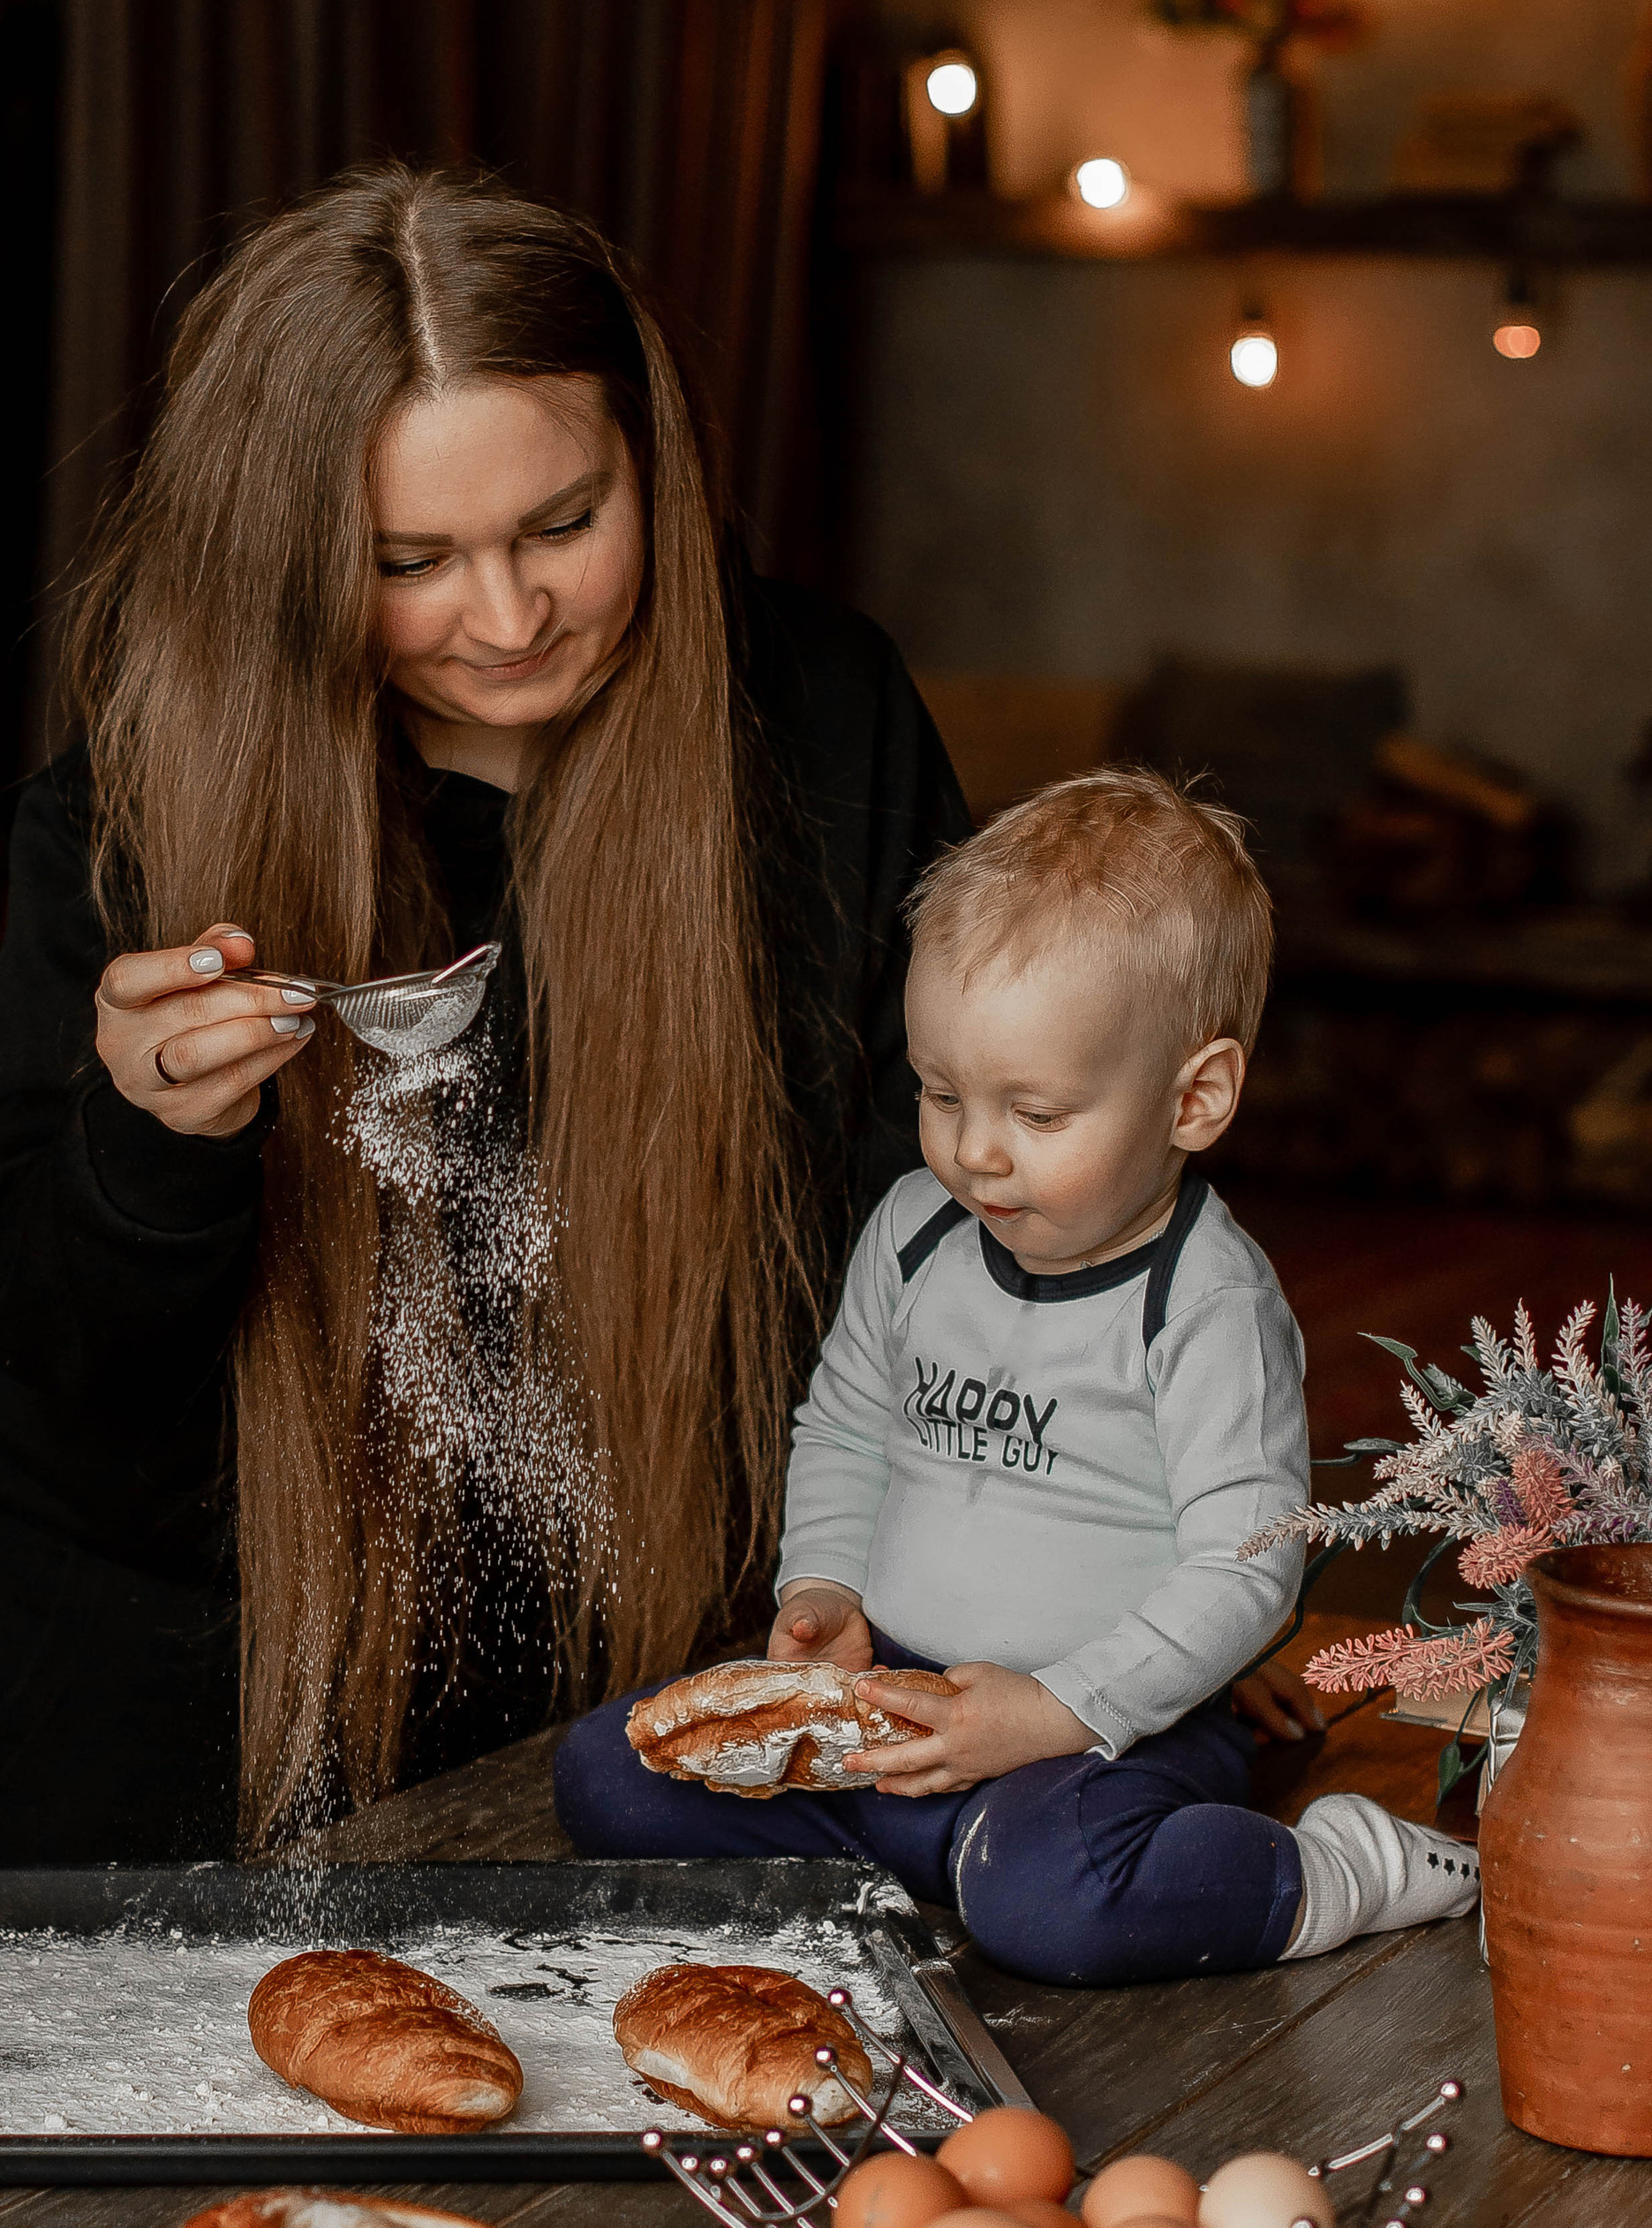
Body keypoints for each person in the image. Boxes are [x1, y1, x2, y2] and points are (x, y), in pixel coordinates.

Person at [0, 165, 970, 1863]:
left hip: (648, 1694)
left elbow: (946, 1228)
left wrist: (1109, 1598)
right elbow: (42, 1392)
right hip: (177, 1706)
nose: (509, 619)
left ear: (653, 460)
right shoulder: (131, 820)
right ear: (292, 559)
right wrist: (147, 1150)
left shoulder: (826, 724)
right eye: (410, 561)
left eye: (564, 523)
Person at [553, 771, 1482, 1983]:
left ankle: (1328, 1870)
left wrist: (1057, 1711)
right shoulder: (914, 1231)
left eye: (1036, 1115)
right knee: (611, 1773)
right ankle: (925, 1858)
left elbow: (1246, 1569)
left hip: (1101, 1737)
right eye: (942, 1094)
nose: (974, 1152)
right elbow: (845, 1430)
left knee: (1055, 1896)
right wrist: (824, 1588)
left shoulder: (1202, 1302)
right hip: (896, 1699)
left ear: (1194, 1100)